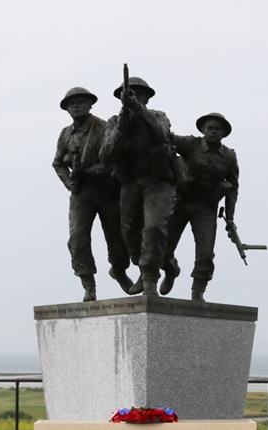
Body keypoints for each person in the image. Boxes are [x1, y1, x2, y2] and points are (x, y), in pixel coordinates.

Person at [52, 87, 134, 301]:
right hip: (81, 193)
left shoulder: (103, 128)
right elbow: (58, 163)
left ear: (90, 104)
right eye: (71, 103)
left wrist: (90, 171)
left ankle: (119, 269)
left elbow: (113, 159)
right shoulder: (65, 134)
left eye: (80, 101)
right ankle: (88, 284)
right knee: (77, 238)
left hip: (106, 189)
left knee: (116, 236)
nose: (76, 106)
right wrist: (69, 182)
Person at [99, 76, 177, 297]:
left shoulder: (158, 116)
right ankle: (168, 264)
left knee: (153, 228)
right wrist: (121, 128)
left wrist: (138, 110)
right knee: (129, 232)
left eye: (139, 94)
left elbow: (161, 135)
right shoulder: (115, 122)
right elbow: (105, 155)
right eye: (130, 94)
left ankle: (149, 277)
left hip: (158, 181)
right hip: (131, 182)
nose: (135, 97)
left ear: (147, 98)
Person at [162, 112, 239, 301]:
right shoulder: (191, 144)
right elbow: (168, 137)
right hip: (181, 202)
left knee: (205, 252)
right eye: (210, 128)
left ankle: (198, 291)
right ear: (203, 130)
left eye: (217, 129)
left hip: (206, 208)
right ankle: (170, 269)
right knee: (162, 247)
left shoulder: (229, 156)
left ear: (223, 133)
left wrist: (230, 219)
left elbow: (233, 187)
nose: (213, 132)